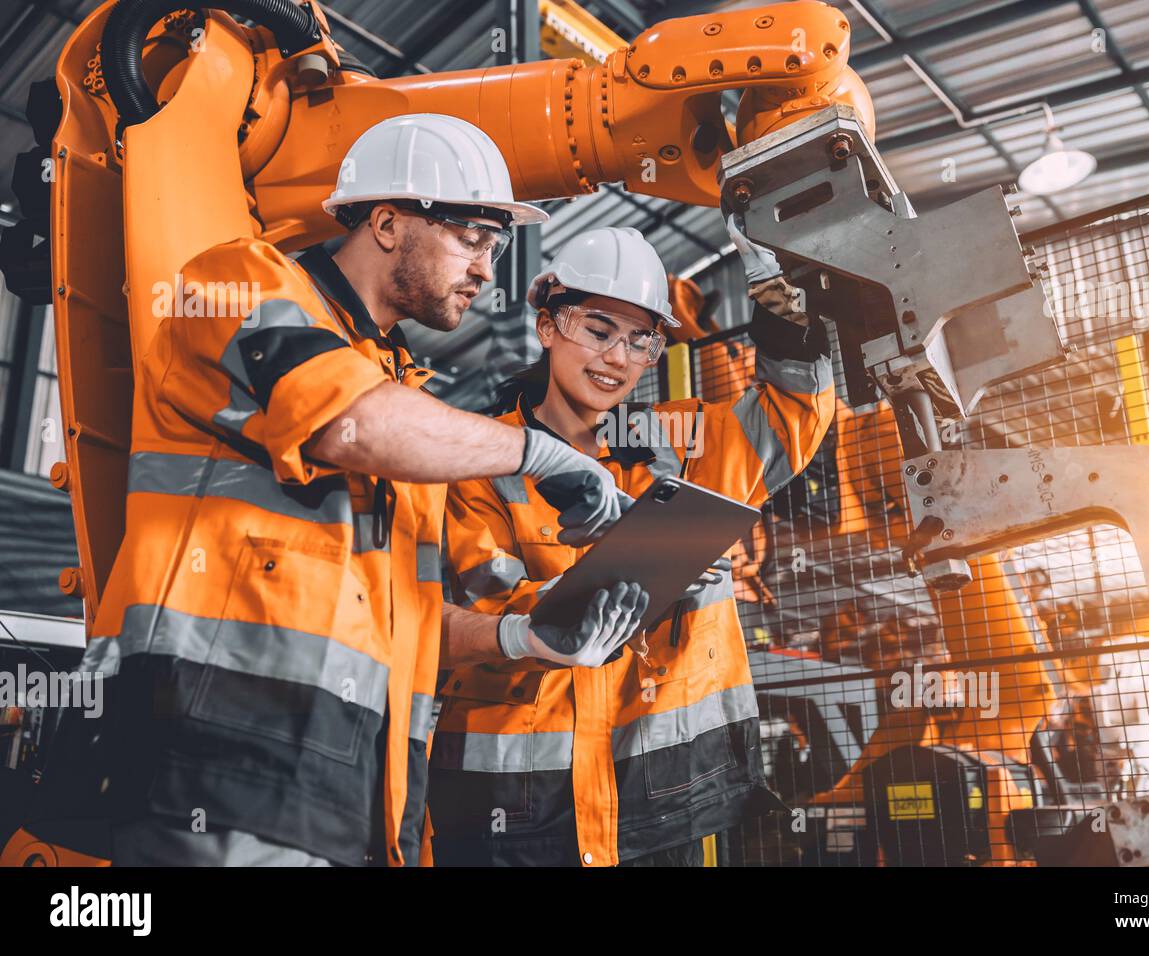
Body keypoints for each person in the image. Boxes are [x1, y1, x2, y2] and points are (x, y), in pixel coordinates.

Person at [45, 114, 648, 868]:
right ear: (388, 223)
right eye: (471, 238)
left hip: (356, 796)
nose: (487, 271)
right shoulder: (238, 282)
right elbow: (345, 421)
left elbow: (414, 621)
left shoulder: (408, 402)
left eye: (494, 248)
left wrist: (519, 636)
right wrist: (542, 453)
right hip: (209, 764)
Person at [431, 220, 836, 866]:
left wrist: (778, 295)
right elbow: (485, 611)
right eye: (598, 330)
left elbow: (793, 414)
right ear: (548, 327)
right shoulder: (486, 465)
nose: (618, 357)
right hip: (515, 810)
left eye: (640, 340)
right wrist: (606, 580)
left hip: (668, 803)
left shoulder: (679, 443)